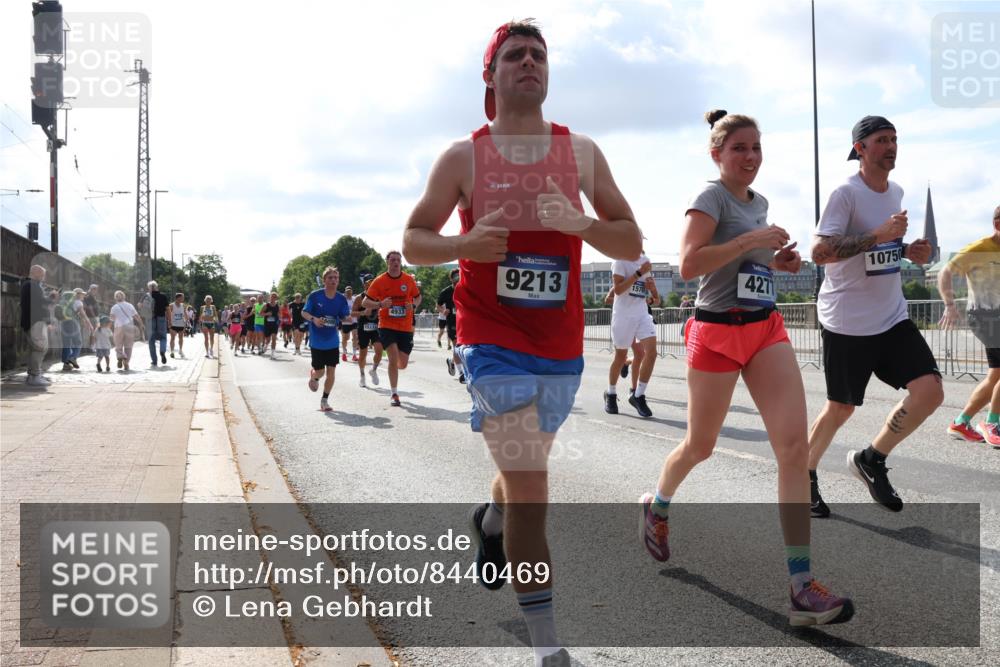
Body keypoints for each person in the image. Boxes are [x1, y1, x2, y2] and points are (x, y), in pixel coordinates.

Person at [401, 20, 642, 665]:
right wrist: (463, 246)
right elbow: (413, 240)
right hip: (490, 340)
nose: (529, 62)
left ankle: (490, 519)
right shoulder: (464, 157)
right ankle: (548, 648)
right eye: (515, 55)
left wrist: (582, 224)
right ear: (492, 74)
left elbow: (630, 239)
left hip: (560, 346)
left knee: (521, 474)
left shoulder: (581, 153)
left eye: (539, 54)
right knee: (534, 489)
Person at [641, 110, 853, 627]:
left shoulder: (760, 203)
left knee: (793, 450)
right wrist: (749, 243)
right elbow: (691, 265)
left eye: (756, 148)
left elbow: (746, 267)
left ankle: (801, 587)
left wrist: (775, 264)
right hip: (714, 331)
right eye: (740, 148)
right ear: (717, 154)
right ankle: (658, 505)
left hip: (764, 328)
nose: (751, 157)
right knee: (701, 446)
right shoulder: (709, 197)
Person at [808, 115, 941, 516]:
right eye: (882, 140)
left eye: (895, 139)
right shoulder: (844, 194)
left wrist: (907, 250)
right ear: (860, 149)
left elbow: (883, 249)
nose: (891, 146)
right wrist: (879, 235)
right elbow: (821, 252)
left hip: (892, 316)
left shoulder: (896, 190)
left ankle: (872, 458)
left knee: (930, 392)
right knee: (841, 408)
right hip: (848, 321)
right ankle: (804, 474)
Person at [941, 204, 1000, 446]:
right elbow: (946, 272)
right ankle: (989, 422)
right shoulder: (979, 249)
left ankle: (963, 422)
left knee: (996, 373)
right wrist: (949, 304)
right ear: (998, 225)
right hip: (984, 316)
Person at [363, 251, 422, 407]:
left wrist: (414, 305)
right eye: (393, 260)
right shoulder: (379, 281)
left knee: (402, 364)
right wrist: (380, 304)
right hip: (387, 325)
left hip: (405, 327)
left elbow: (418, 296)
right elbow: (365, 302)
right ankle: (394, 393)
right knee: (393, 356)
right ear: (387, 262)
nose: (396, 262)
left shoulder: (408, 280)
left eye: (398, 260)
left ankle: (390, 365)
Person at [606, 250, 658, 417]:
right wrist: (638, 273)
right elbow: (618, 290)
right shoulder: (620, 261)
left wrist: (653, 291)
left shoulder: (645, 261)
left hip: (642, 314)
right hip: (623, 316)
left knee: (651, 353)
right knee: (620, 357)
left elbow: (656, 300)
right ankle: (611, 393)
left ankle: (638, 395)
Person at [302, 267, 351, 412]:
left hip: (332, 341)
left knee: (331, 372)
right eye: (330, 278)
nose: (333, 280)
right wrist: (314, 319)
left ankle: (324, 400)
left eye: (336, 278)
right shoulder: (315, 296)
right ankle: (314, 376)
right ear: (324, 280)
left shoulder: (341, 298)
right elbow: (304, 312)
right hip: (317, 341)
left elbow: (344, 316)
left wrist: (354, 316)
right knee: (320, 371)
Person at [20, 264, 52, 386]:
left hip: (32, 322)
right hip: (36, 322)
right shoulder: (33, 285)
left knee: (37, 348)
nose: (44, 277)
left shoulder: (28, 285)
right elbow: (40, 304)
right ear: (36, 273)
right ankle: (34, 376)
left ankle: (33, 375)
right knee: (40, 348)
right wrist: (51, 298)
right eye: (42, 274)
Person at [353, 274, 384, 387]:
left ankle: (374, 370)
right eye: (368, 282)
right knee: (363, 354)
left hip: (376, 327)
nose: (370, 283)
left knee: (379, 351)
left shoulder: (379, 296)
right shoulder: (359, 298)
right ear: (364, 284)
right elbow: (351, 313)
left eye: (373, 281)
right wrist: (362, 313)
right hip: (363, 328)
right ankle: (362, 375)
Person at [438, 268, 465, 383]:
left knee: (464, 347)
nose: (457, 279)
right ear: (451, 279)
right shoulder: (446, 291)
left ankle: (452, 361)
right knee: (457, 346)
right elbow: (438, 305)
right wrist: (443, 311)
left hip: (465, 321)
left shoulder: (465, 288)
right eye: (455, 277)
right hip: (452, 322)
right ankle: (461, 373)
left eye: (459, 276)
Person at [109, 290, 142, 371]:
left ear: (115, 298)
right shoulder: (130, 305)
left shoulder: (114, 307)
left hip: (118, 327)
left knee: (118, 344)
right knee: (128, 346)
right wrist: (141, 324)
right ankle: (126, 362)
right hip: (129, 327)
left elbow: (112, 319)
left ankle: (120, 356)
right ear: (124, 297)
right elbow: (136, 316)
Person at [147, 281, 169, 367]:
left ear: (149, 288)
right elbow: (167, 310)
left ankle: (154, 361)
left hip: (150, 319)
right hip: (161, 318)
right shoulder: (163, 296)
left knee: (151, 340)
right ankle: (162, 351)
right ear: (156, 287)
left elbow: (140, 307)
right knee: (163, 337)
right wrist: (169, 321)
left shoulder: (147, 297)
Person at [340, 286, 358, 362]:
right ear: (345, 293)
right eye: (347, 292)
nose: (349, 294)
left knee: (355, 336)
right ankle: (344, 353)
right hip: (345, 322)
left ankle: (354, 354)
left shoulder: (354, 299)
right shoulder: (343, 301)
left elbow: (358, 308)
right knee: (345, 338)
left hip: (354, 321)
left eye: (350, 292)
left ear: (352, 292)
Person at [261, 292, 281, 358]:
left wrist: (279, 317)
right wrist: (267, 314)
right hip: (267, 324)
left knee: (274, 338)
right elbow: (261, 313)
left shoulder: (278, 306)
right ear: (270, 297)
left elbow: (280, 314)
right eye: (272, 296)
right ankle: (266, 346)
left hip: (275, 324)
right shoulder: (266, 305)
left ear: (276, 298)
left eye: (274, 297)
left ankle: (272, 353)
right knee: (268, 340)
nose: (273, 298)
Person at [168, 293, 188, 358]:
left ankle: (180, 350)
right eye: (182, 297)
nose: (183, 299)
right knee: (173, 338)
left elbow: (185, 314)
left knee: (181, 338)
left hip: (181, 324)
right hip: (173, 324)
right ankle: (172, 351)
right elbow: (168, 314)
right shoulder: (171, 305)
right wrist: (169, 322)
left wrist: (187, 321)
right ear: (178, 298)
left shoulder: (183, 305)